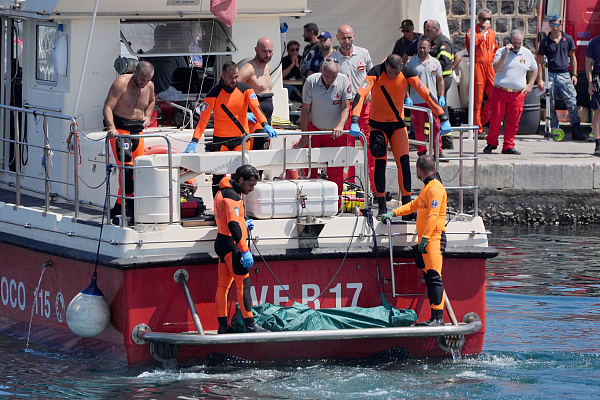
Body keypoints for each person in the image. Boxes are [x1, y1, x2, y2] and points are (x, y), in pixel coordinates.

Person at [350, 54, 451, 217]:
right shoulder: (375, 72)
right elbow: (360, 95)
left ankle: (407, 208)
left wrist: (442, 116)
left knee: (404, 164)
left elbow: (426, 93)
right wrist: (354, 119)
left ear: (400, 68)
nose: (392, 75)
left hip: (398, 126)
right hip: (377, 127)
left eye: (395, 73)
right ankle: (382, 206)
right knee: (380, 164)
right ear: (386, 67)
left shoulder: (407, 72)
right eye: (390, 72)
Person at [183, 61, 276, 196]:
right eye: (231, 77)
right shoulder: (213, 94)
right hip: (221, 141)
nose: (234, 80)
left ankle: (239, 206)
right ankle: (217, 206)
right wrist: (194, 140)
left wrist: (265, 124)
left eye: (236, 77)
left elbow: (256, 109)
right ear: (223, 76)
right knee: (218, 177)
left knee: (241, 178)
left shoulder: (245, 89)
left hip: (241, 140)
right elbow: (203, 120)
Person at [380, 155, 448, 327]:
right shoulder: (427, 189)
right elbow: (412, 206)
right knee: (429, 277)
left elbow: (433, 216)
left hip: (434, 238)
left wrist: (425, 239)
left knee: (434, 277)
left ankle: (438, 318)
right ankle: (434, 317)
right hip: (427, 239)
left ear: (419, 170)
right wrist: (393, 213)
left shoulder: (435, 189)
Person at [214, 164, 267, 334]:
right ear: (241, 180)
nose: (252, 189)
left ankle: (223, 327)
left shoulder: (221, 191)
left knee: (223, 287)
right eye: (250, 185)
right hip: (233, 246)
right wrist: (244, 250)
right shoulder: (233, 198)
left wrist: (244, 222)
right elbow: (233, 224)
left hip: (222, 242)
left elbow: (228, 219)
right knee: (243, 285)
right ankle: (251, 326)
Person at [103, 61, 155, 225]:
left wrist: (148, 115)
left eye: (147, 80)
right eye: (141, 79)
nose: (144, 83)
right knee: (126, 169)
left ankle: (120, 206)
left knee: (137, 170)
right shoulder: (121, 83)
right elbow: (107, 106)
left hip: (137, 131)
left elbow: (152, 101)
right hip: (121, 130)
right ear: (135, 72)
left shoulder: (149, 86)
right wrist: (111, 128)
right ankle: (128, 206)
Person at [331, 24, 375, 194]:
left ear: (354, 37)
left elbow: (372, 76)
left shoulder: (363, 53)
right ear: (337, 38)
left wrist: (370, 91)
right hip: (346, 107)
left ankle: (375, 189)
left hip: (364, 105)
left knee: (370, 147)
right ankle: (350, 188)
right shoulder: (333, 58)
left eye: (349, 37)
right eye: (343, 38)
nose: (347, 41)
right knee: (347, 148)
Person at [299, 58, 352, 199]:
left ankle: (336, 204)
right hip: (314, 130)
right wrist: (304, 136)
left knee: (336, 172)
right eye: (327, 76)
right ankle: (310, 202)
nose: (329, 79)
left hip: (335, 133)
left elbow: (346, 107)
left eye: (333, 76)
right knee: (310, 170)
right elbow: (305, 110)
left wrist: (340, 125)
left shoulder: (344, 80)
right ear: (321, 70)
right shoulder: (311, 81)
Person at [483, 30, 538, 155]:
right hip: (500, 91)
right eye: (515, 43)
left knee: (514, 120)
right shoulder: (501, 52)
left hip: (517, 93)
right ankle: (491, 143)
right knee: (496, 118)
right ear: (510, 41)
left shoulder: (527, 53)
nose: (517, 46)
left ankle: (508, 145)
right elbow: (496, 68)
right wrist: (506, 54)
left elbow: (534, 69)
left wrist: (530, 84)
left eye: (519, 43)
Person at [537, 14, 583, 140]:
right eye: (552, 24)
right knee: (550, 103)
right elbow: (540, 61)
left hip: (564, 74)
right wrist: (540, 79)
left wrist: (574, 74)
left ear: (560, 25)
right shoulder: (545, 42)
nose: (554, 27)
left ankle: (576, 129)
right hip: (550, 74)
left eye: (556, 24)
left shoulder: (568, 39)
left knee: (571, 102)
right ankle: (554, 129)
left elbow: (573, 57)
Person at [405, 37, 445, 158]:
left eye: (424, 48)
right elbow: (405, 82)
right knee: (418, 127)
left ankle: (438, 151)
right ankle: (421, 151)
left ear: (429, 48)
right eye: (420, 47)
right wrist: (407, 97)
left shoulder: (435, 62)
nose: (422, 50)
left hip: (432, 101)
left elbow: (440, 80)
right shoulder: (411, 63)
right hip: (417, 100)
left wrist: (441, 96)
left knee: (436, 126)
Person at [466, 9, 499, 137]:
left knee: (495, 94)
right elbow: (471, 44)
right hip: (477, 65)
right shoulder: (472, 32)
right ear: (479, 19)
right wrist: (482, 33)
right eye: (484, 19)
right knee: (477, 98)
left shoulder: (492, 33)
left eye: (488, 19)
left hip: (490, 66)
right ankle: (477, 128)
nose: (486, 21)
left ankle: (482, 119)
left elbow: (495, 49)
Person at [239, 37, 275, 151]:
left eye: (270, 51)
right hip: (254, 122)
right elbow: (231, 89)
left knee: (264, 155)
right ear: (256, 50)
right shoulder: (249, 69)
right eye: (264, 51)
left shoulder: (267, 68)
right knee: (254, 155)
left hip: (267, 121)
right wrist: (244, 113)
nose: (267, 55)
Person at [425, 20, 455, 150]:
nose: (426, 33)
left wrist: (428, 62)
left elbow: (443, 62)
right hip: (437, 79)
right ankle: (444, 138)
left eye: (428, 30)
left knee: (437, 107)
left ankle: (445, 138)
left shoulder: (443, 43)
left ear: (436, 30)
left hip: (443, 79)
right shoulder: (433, 42)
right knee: (440, 108)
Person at [142, 25, 188, 94]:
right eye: (158, 35)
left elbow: (186, 76)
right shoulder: (145, 56)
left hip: (173, 95)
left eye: (162, 35)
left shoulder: (176, 56)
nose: (159, 37)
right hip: (151, 95)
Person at [585, 34, 600, 156]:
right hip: (598, 80)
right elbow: (588, 64)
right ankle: (598, 145)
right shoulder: (594, 42)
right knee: (598, 112)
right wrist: (590, 83)